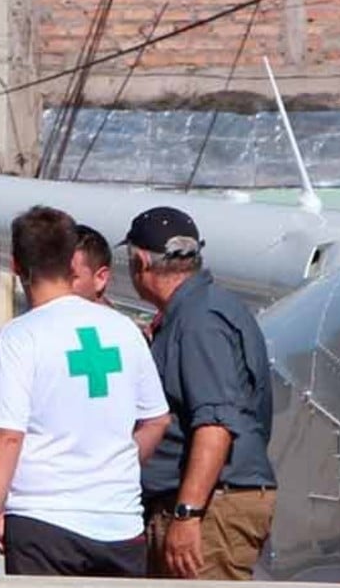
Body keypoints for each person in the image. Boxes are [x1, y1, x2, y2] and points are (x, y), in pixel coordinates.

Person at [0, 206, 171, 577]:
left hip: (43, 525)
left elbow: (6, 436)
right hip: (121, 524)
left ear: (16, 265)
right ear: (72, 264)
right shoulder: (124, 330)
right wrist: (115, 466)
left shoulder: (20, 337)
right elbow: (157, 419)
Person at [121, 206, 276, 580]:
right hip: (210, 500)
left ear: (140, 262)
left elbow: (215, 425)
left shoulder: (199, 323)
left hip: (210, 506)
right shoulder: (198, 312)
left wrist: (188, 514)